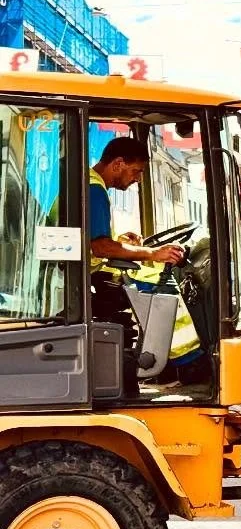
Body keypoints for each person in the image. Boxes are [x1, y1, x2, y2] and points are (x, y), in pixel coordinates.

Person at [89, 137, 184, 394]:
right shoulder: (94, 190)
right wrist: (153, 254)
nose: (138, 179)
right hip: (77, 284)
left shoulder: (89, 184)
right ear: (118, 163)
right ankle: (169, 368)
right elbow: (100, 248)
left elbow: (93, 243)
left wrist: (121, 243)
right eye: (136, 171)